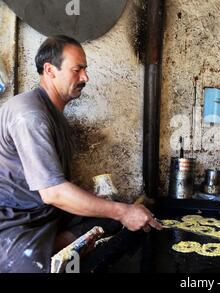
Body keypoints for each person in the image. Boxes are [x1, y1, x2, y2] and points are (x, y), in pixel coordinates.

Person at [0, 35, 162, 273]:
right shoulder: (30, 116)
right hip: (15, 220)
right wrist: (124, 212)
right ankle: (54, 248)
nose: (85, 77)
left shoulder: (55, 114)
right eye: (77, 69)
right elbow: (53, 192)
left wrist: (101, 202)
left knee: (112, 217)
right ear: (50, 70)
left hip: (48, 213)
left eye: (85, 69)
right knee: (33, 264)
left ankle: (63, 242)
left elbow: (55, 181)